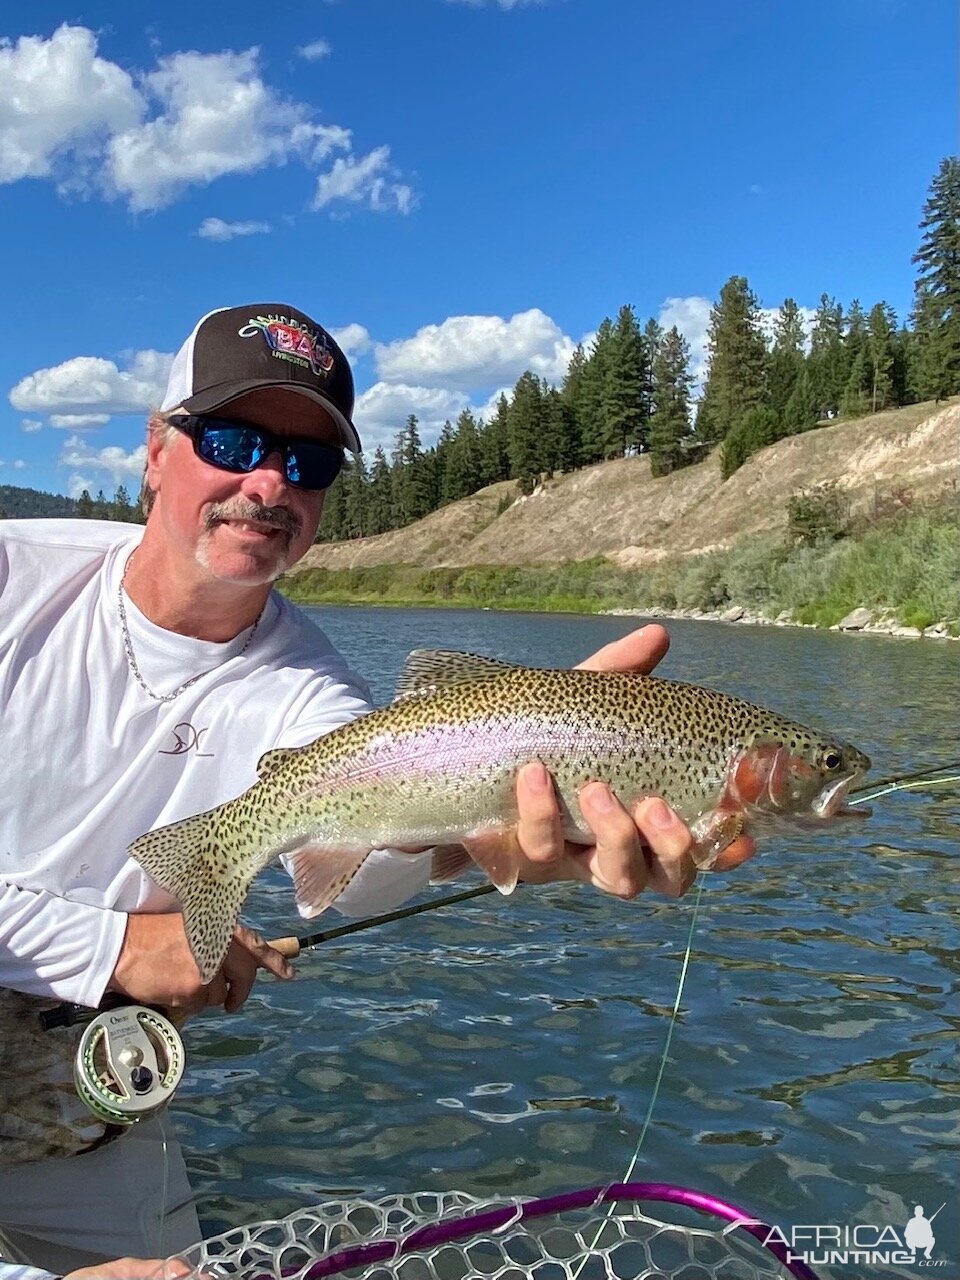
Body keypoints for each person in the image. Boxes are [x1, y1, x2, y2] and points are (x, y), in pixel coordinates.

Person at [0, 302, 753, 1270]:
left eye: (308, 463)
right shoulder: (16, 578)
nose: (268, 483)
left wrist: (515, 786)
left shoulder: (312, 689)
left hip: (84, 1100)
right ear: (156, 449)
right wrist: (113, 942)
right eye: (233, 439)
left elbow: (356, 865)